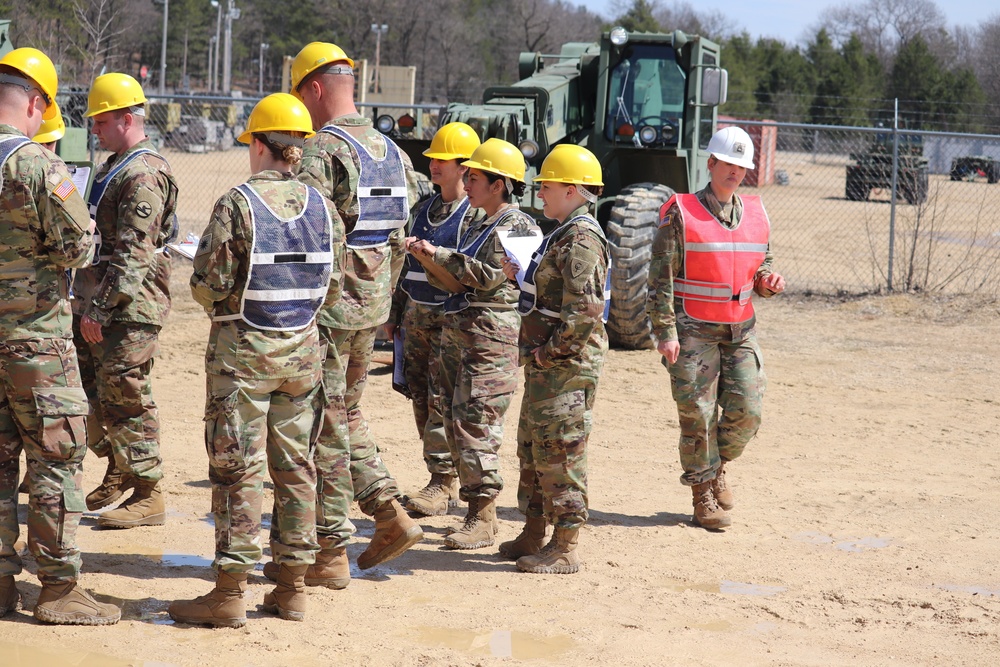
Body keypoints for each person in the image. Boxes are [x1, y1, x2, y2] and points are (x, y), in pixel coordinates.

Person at [169, 94, 335, 627]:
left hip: (244, 356)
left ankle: (229, 592)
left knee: (239, 470)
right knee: (296, 468)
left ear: (260, 145)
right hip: (303, 354)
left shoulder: (237, 204)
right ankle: (291, 589)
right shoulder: (324, 207)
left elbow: (207, 284)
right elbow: (329, 286)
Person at [262, 41, 421, 584]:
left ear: (312, 89)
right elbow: (403, 232)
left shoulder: (322, 152)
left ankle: (336, 548)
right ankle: (378, 516)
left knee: (322, 424)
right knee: (344, 413)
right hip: (370, 309)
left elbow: (301, 229)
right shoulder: (394, 152)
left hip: (327, 312)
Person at [0, 47, 120, 624]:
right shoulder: (37, 166)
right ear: (37, 102)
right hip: (37, 343)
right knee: (54, 458)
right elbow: (78, 246)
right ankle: (57, 589)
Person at [647, 126, 785, 530]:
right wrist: (665, 332)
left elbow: (763, 265)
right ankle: (702, 495)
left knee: (747, 411)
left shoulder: (757, 212)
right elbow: (659, 280)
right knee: (698, 415)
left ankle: (718, 465)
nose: (736, 172)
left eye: (742, 166)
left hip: (740, 331)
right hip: (692, 331)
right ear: (711, 163)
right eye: (729, 163)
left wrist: (768, 282)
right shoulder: (681, 210)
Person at [407, 138, 538, 550]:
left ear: (499, 184)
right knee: (452, 419)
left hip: (490, 339)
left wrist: (438, 254)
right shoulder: (480, 223)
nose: (468, 181)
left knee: (476, 424)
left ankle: (484, 517)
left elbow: (485, 276)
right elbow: (458, 279)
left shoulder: (517, 226)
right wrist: (431, 261)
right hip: (462, 334)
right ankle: (472, 510)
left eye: (475, 177)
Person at [73, 73, 178, 529]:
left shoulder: (142, 173)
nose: (93, 128)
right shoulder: (115, 165)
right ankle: (120, 467)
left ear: (127, 118)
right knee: (93, 392)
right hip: (101, 299)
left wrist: (100, 308)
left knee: (127, 395)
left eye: (101, 120)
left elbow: (134, 255)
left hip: (127, 308)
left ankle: (148, 493)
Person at [500, 144, 610, 574]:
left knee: (561, 452)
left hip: (565, 368)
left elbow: (583, 316)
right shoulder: (563, 232)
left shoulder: (582, 240)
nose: (540, 193)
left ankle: (564, 546)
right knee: (533, 447)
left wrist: (546, 354)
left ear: (571, 189)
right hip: (549, 366)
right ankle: (533, 532)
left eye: (546, 185)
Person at [387, 122, 484, 517]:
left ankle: (444, 483)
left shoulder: (472, 216)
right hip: (415, 318)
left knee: (446, 402)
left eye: (442, 159)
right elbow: (401, 268)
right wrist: (393, 316)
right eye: (432, 159)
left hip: (449, 321)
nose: (433, 165)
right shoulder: (423, 209)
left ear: (465, 167)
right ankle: (439, 477)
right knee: (422, 400)